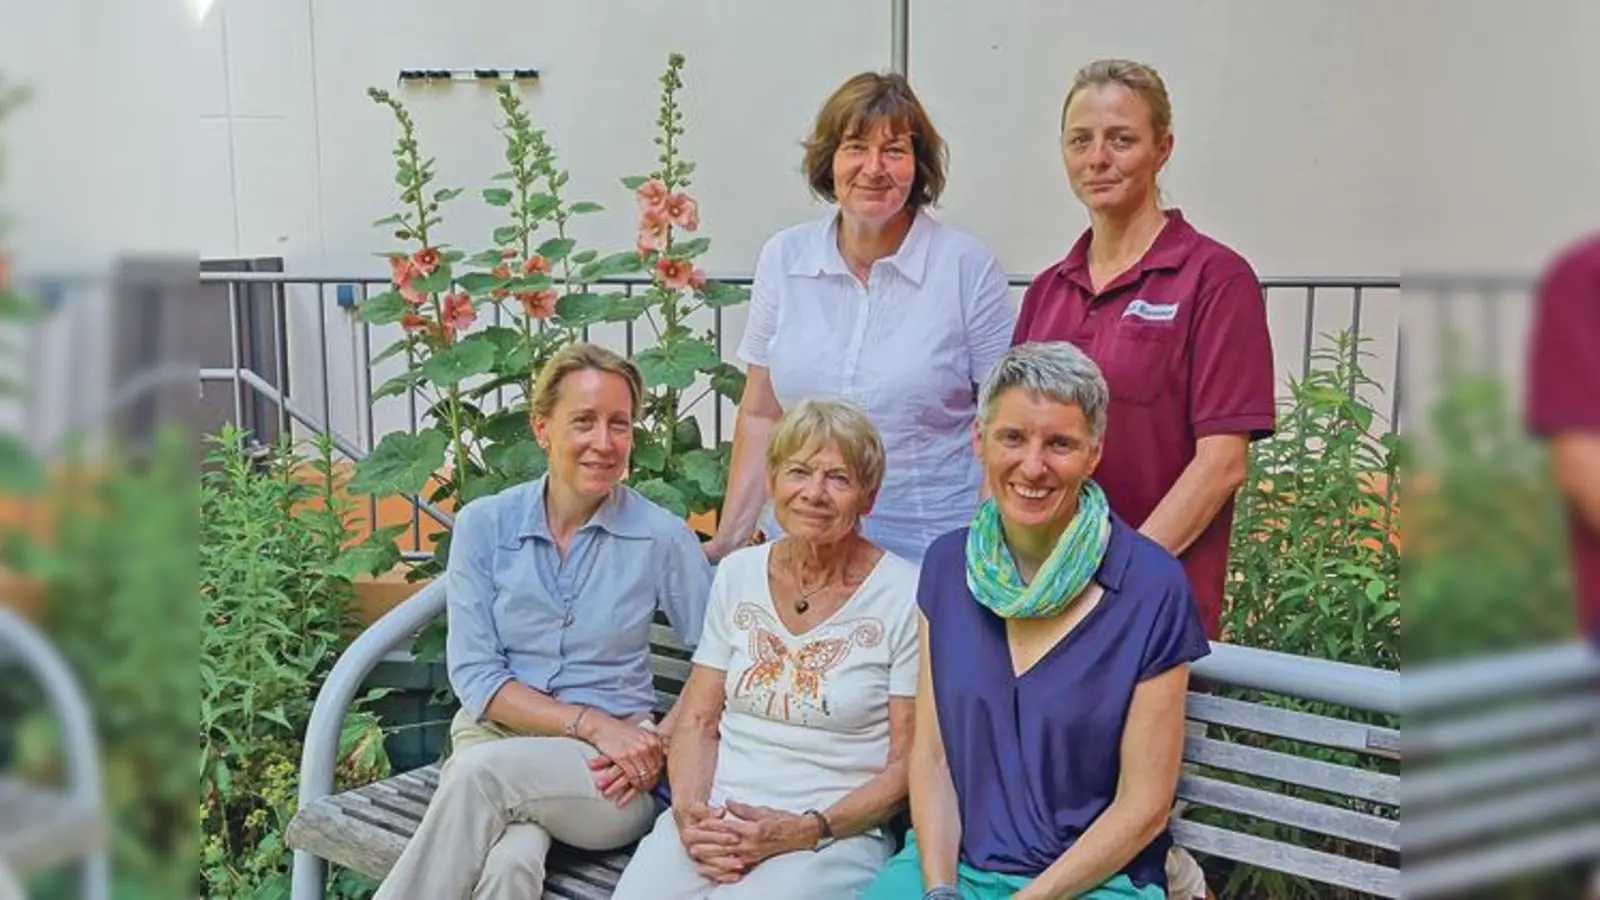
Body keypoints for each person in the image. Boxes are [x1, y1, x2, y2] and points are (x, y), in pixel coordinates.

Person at [862, 342, 1210, 900]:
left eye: (1060, 444)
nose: (1033, 465)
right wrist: (939, 888)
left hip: (1093, 881)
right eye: (1013, 438)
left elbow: (1144, 808)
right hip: (956, 869)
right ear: (980, 442)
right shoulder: (948, 568)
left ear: (1094, 453)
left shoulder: (1150, 586)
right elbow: (932, 758)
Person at [373, 342, 712, 900]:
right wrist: (588, 720)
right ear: (541, 428)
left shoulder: (661, 536)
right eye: (584, 421)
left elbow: (716, 658)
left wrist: (654, 742)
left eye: (619, 425)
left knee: (481, 778)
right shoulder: (485, 525)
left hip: (605, 773)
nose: (604, 443)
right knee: (510, 867)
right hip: (493, 739)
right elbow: (477, 676)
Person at [1011, 56, 1276, 644]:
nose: (1098, 158)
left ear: (1163, 149)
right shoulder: (1048, 292)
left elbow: (1221, 465)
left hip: (1146, 611)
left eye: (1121, 140)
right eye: (1081, 140)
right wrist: (1002, 573)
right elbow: (1010, 446)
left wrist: (1111, 582)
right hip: (1041, 605)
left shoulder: (1216, 280)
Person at [705, 70, 1016, 566]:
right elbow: (762, 412)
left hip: (927, 555)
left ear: (919, 167)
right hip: (801, 549)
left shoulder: (967, 267)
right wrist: (728, 541)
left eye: (894, 150)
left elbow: (1002, 422)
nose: (874, 168)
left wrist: (982, 555)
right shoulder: (784, 258)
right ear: (829, 160)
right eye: (855, 147)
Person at [612, 398, 920, 900]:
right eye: (798, 472)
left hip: (828, 837)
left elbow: (906, 762)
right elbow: (697, 722)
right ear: (773, 482)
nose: (814, 494)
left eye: (838, 479)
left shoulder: (905, 594)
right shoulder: (738, 574)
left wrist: (805, 829)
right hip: (716, 818)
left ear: (869, 497)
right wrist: (691, 816)